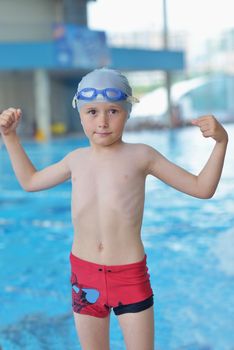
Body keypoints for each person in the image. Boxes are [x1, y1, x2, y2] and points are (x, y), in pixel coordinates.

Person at [0, 68, 228, 350]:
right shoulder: (75, 160)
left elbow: (201, 188)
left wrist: (221, 143)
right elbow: (30, 181)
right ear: (80, 114)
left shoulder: (142, 155)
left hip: (129, 276)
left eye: (114, 111)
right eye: (92, 112)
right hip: (84, 276)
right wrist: (10, 137)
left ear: (127, 113)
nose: (103, 121)